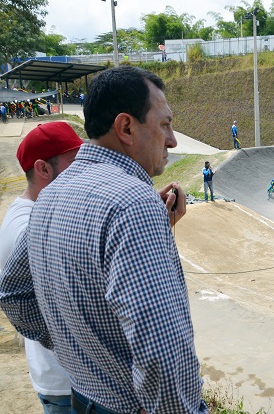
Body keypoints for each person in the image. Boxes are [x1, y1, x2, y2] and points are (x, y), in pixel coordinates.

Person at [0, 66, 207, 414]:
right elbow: (162, 346)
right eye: (164, 125)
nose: (172, 140)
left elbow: (14, 293)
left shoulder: (50, 196)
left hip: (82, 397)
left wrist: (80, 349)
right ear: (126, 127)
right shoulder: (134, 202)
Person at [0, 121, 83, 414]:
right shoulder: (28, 227)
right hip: (67, 384)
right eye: (75, 164)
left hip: (64, 378)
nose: (83, 172)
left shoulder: (34, 213)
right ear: (43, 169)